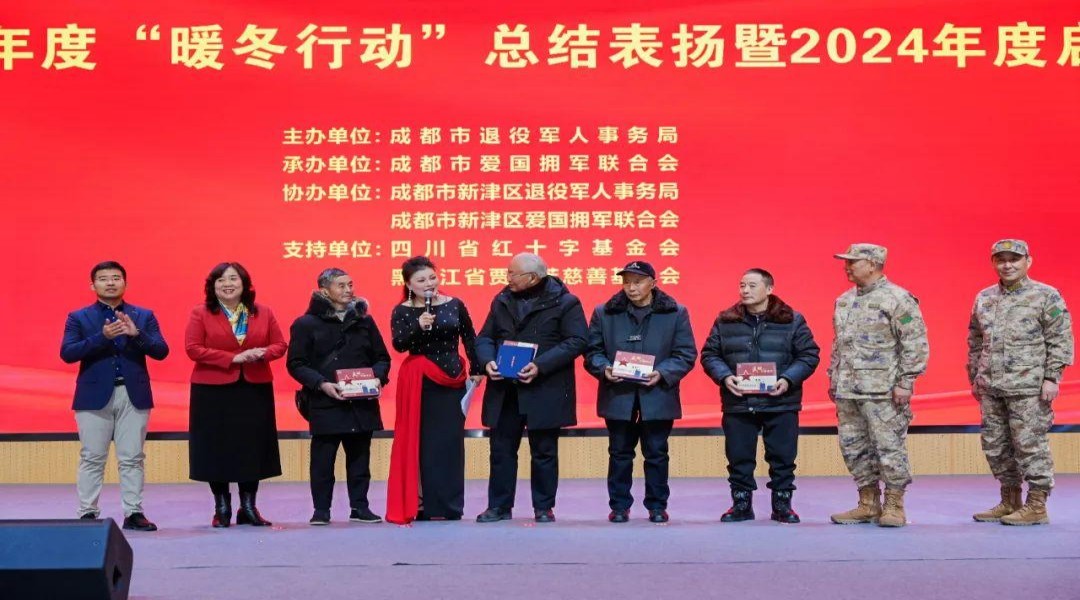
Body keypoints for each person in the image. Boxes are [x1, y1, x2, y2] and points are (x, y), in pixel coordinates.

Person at [474, 253, 588, 523]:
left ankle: (544, 507)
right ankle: (499, 506)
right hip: (505, 388)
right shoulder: (502, 299)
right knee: (501, 450)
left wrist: (540, 365)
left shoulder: (566, 302)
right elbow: (485, 337)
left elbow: (577, 341)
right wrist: (488, 361)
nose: (508, 278)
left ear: (533, 278)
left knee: (544, 451)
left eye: (513, 274)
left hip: (544, 387)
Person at [700, 268, 820, 524]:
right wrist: (725, 377)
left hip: (781, 402)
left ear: (769, 289)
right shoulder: (726, 320)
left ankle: (782, 505)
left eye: (752, 285)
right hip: (738, 401)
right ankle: (741, 504)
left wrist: (788, 379)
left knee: (783, 457)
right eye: (742, 285)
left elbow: (809, 355)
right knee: (739, 457)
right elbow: (710, 355)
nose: (745, 290)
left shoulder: (792, 319)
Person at [967, 239, 1073, 526]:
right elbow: (975, 339)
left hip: (1029, 387)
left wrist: (1052, 377)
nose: (1007, 265)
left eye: (1014, 259)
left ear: (1028, 261)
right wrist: (975, 375)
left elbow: (1060, 339)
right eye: (1000, 259)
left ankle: (1036, 505)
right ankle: (1010, 500)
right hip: (991, 386)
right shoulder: (985, 297)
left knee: (1030, 445)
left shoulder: (1046, 295)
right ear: (993, 263)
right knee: (996, 446)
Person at [61, 261, 169, 531]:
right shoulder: (79, 317)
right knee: (92, 456)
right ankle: (87, 513)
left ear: (125, 283)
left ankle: (134, 513)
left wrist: (136, 335)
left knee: (132, 457)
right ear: (93, 285)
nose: (110, 282)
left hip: (134, 395)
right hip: (93, 396)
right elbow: (68, 353)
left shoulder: (143, 316)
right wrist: (102, 337)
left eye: (116, 278)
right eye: (103, 278)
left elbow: (161, 351)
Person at [585, 261, 696, 524]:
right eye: (626, 282)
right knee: (619, 453)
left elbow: (685, 354)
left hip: (657, 394)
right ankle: (619, 506)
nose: (631, 287)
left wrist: (662, 372)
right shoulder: (604, 313)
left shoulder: (676, 313)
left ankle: (657, 506)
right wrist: (604, 369)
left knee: (656, 453)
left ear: (653, 283)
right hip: (618, 394)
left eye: (637, 282)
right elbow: (592, 352)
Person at [828, 244, 929, 528]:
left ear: (873, 264)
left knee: (889, 447)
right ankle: (868, 503)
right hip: (848, 389)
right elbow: (839, 344)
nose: (847, 267)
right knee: (854, 446)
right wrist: (834, 377)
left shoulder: (898, 299)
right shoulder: (844, 301)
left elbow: (915, 343)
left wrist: (906, 381)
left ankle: (894, 504)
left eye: (853, 262)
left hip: (883, 391)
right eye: (846, 262)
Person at [185, 262, 286, 528]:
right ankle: (222, 507)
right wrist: (233, 358)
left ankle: (248, 506)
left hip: (253, 386)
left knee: (251, 446)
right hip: (212, 389)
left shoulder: (263, 312)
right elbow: (193, 349)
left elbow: (280, 344)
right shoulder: (201, 313)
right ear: (212, 286)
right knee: (215, 447)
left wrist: (263, 353)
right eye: (220, 280)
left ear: (244, 284)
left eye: (233, 279)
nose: (227, 284)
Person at [287, 268, 391, 526]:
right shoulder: (305, 324)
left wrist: (377, 378)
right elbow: (296, 364)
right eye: (341, 285)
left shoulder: (364, 321)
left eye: (350, 284)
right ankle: (321, 510)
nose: (348, 290)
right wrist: (321, 384)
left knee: (360, 460)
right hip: (326, 401)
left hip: (361, 402)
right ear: (324, 291)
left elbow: (382, 358)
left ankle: (360, 507)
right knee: (323, 461)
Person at [386, 256, 484, 524]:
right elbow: (399, 344)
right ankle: (422, 503)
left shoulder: (455, 304)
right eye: (421, 280)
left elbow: (469, 337)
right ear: (408, 285)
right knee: (423, 442)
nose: (429, 283)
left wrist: (477, 369)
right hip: (420, 381)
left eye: (432, 277)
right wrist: (419, 326)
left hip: (452, 378)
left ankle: (450, 505)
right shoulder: (402, 310)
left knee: (450, 443)